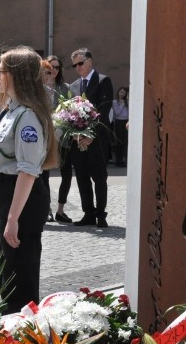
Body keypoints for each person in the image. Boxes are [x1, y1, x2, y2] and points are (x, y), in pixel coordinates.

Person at [0, 46, 59, 314]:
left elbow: (27, 171)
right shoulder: (10, 111)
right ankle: (10, 332)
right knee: (8, 275)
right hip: (9, 199)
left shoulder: (27, 116)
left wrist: (13, 218)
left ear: (16, 75)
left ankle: (25, 338)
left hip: (23, 204)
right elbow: (7, 165)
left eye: (1, 70)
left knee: (21, 279)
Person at [68, 48, 113, 227]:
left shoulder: (103, 81)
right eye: (74, 65)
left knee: (99, 178)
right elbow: (69, 114)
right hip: (78, 141)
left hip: (97, 139)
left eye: (80, 63)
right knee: (82, 177)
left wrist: (91, 136)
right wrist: (76, 135)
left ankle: (101, 214)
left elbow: (104, 110)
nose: (77, 67)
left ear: (89, 61)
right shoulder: (72, 86)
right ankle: (88, 213)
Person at [43, 55, 74, 223]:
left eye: (56, 67)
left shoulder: (65, 87)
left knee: (67, 173)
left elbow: (70, 110)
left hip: (63, 135)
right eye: (50, 67)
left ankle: (61, 209)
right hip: (46, 135)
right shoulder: (38, 87)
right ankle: (46, 209)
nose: (53, 70)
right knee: (44, 174)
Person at [111, 86, 129, 167]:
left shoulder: (127, 102)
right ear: (118, 92)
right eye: (121, 92)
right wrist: (122, 104)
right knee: (119, 141)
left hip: (126, 122)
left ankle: (125, 160)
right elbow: (117, 112)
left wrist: (126, 103)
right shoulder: (115, 102)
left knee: (125, 141)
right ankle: (118, 160)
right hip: (119, 122)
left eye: (124, 93)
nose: (122, 94)